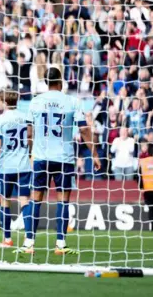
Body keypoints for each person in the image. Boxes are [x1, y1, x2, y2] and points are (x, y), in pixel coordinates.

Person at [23, 67, 100, 254]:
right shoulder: (72, 101)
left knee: (36, 199)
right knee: (63, 201)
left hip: (41, 158)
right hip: (64, 158)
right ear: (61, 81)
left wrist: (31, 152)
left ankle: (29, 243)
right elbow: (83, 130)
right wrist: (95, 154)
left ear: (46, 82)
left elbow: (30, 132)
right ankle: (60, 244)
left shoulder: (35, 102)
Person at [0, 90, 32, 248]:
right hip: (24, 166)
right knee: (25, 202)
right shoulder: (25, 117)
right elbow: (30, 136)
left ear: (5, 102)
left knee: (4, 202)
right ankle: (29, 240)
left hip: (7, 167)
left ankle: (7, 239)